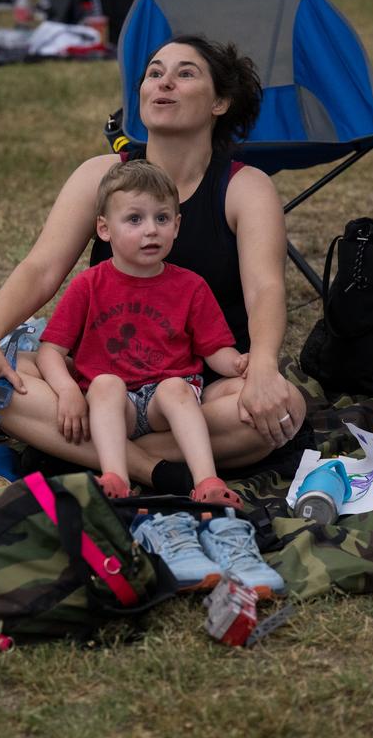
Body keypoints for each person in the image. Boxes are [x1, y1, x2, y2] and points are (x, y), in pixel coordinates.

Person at [0, 35, 307, 496]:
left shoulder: (244, 187)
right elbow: (41, 268)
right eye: (155, 73)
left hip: (198, 384)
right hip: (100, 381)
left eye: (186, 73)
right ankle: (153, 469)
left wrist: (262, 367)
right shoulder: (101, 175)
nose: (164, 83)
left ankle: (86, 448)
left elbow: (264, 288)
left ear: (221, 101)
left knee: (284, 410)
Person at [37, 160, 249, 505]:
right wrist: (67, 392)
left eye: (162, 218)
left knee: (176, 389)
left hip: (165, 405)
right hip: (115, 405)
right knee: (106, 383)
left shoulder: (191, 286)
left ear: (177, 225)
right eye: (135, 219)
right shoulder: (88, 285)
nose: (151, 230)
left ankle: (207, 482)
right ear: (104, 229)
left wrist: (240, 363)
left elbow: (215, 351)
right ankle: (116, 480)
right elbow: (50, 350)